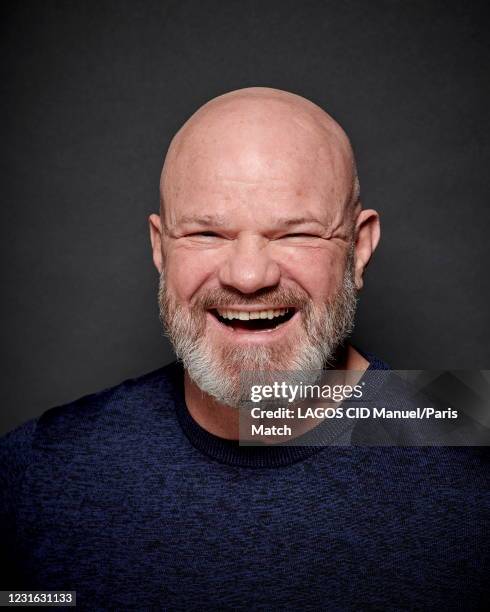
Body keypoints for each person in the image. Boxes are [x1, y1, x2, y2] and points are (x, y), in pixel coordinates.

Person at [1, 88, 487, 610]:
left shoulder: (473, 470)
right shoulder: (34, 476)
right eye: (207, 233)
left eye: (295, 233)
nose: (249, 276)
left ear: (359, 248)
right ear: (160, 248)